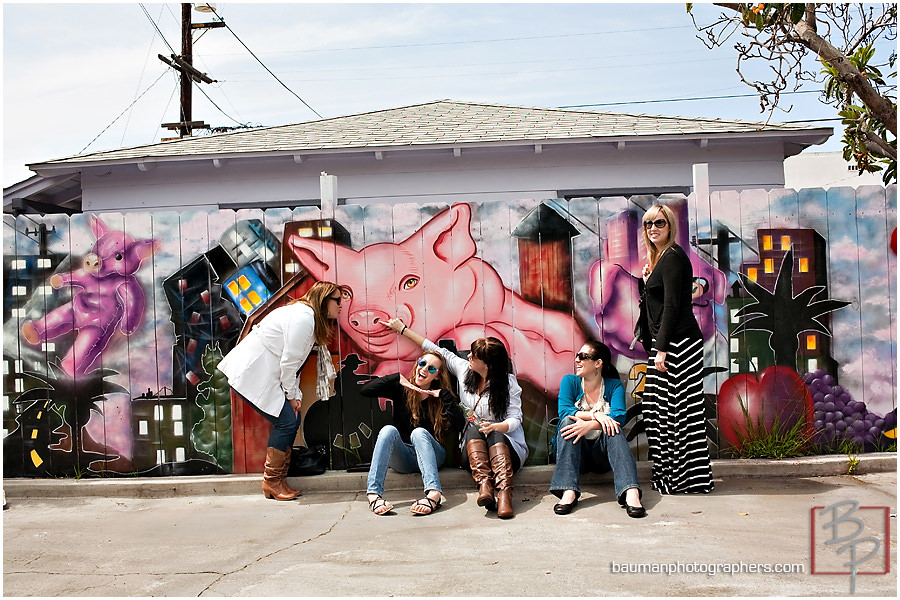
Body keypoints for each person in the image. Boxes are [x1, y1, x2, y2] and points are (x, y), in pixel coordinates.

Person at [383, 318, 527, 519]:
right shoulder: (464, 370)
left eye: (473, 355)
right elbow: (435, 350)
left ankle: (504, 495)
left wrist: (497, 427)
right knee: (473, 427)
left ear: (487, 365)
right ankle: (484, 486)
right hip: (473, 451)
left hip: (508, 450)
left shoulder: (508, 384)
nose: (468, 356)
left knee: (496, 435)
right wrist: (403, 330)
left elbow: (515, 419)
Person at [217, 280, 342, 500]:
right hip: (253, 373)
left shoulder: (307, 317)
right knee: (287, 421)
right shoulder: (304, 318)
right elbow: (289, 363)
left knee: (290, 420)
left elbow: (294, 364)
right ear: (323, 301)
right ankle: (272, 482)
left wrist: (295, 396)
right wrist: (293, 397)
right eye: (338, 300)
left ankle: (279, 480)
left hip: (264, 375)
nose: (341, 306)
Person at [639, 204, 714, 494]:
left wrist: (661, 349)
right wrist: (647, 282)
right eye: (648, 224)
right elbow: (658, 305)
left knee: (677, 413)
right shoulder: (661, 259)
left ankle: (683, 480)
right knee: (661, 411)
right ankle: (671, 477)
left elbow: (672, 307)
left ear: (670, 226)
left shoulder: (672, 257)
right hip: (670, 344)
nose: (653, 228)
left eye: (659, 222)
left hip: (677, 344)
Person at [360, 351, 465, 516]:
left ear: (437, 376)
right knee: (388, 430)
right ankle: (373, 495)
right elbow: (365, 390)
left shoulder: (441, 397)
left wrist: (445, 396)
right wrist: (396, 378)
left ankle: (434, 494)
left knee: (419, 433)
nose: (424, 369)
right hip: (405, 458)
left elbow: (460, 424)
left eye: (431, 369)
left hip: (433, 456)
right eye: (422, 364)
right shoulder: (401, 389)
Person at [549, 340, 646, 518]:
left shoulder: (613, 385)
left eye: (583, 357)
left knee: (613, 426)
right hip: (575, 454)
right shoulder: (570, 381)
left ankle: (630, 491)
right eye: (577, 356)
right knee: (568, 422)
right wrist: (596, 415)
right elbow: (564, 411)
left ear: (598, 363)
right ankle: (568, 491)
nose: (577, 360)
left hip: (603, 456)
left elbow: (619, 415)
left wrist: (593, 424)